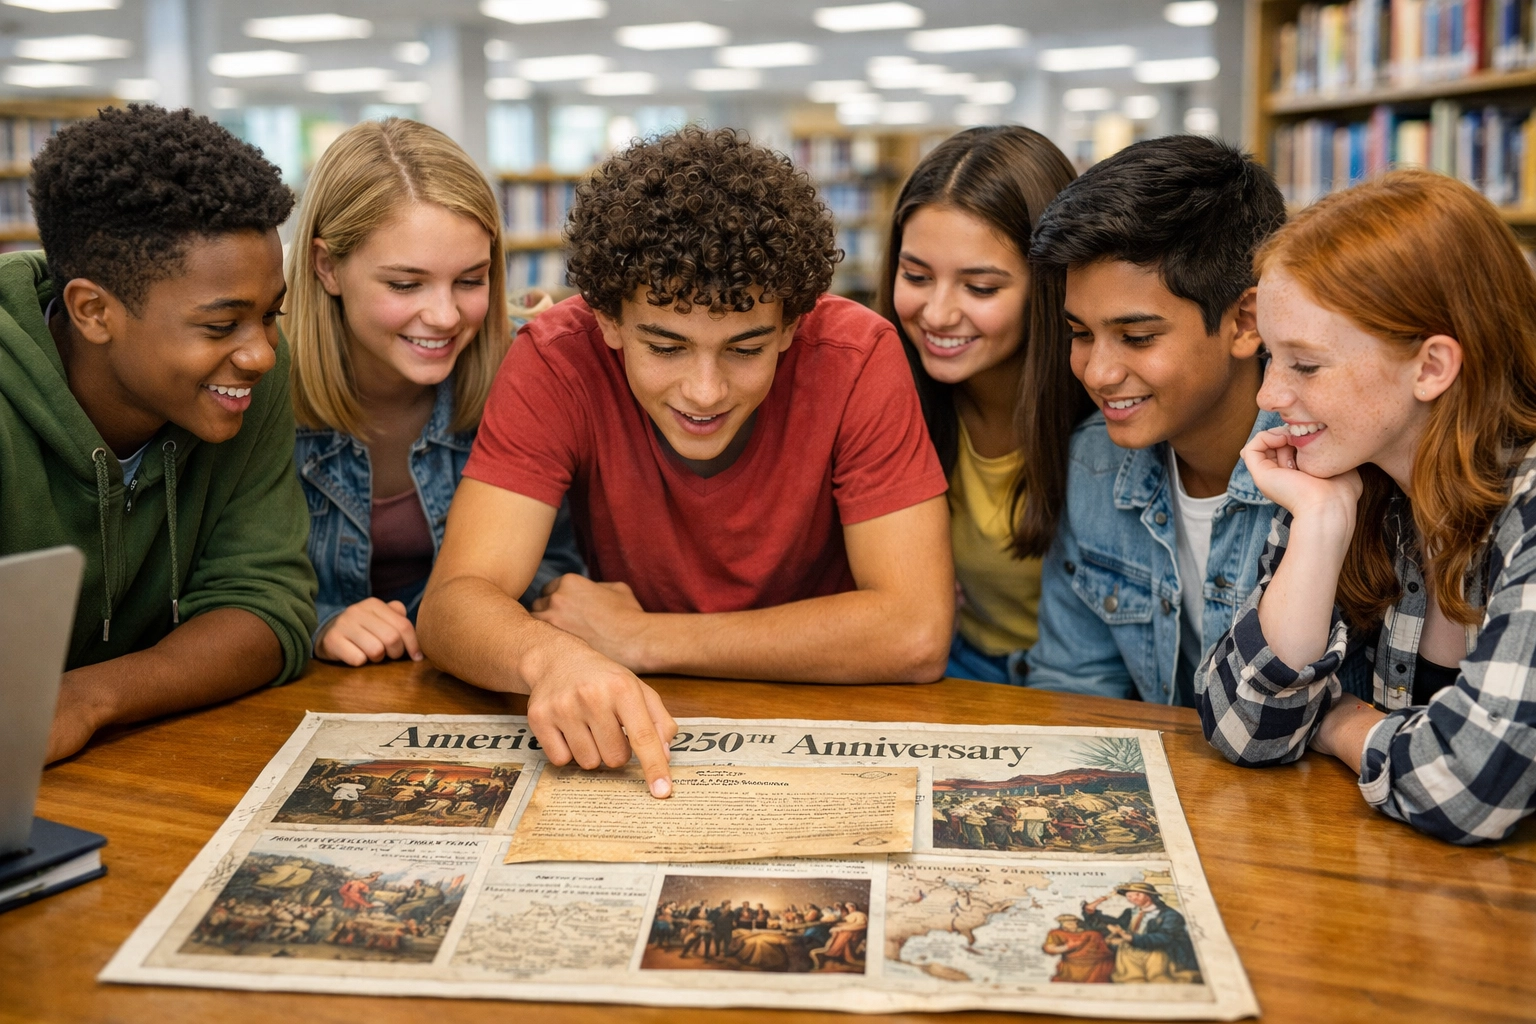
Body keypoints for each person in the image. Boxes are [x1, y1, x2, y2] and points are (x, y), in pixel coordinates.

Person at [418, 126, 953, 798]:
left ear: (792, 323)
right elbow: (451, 604)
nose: (705, 391)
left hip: (834, 713)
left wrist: (642, 639)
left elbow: (914, 632)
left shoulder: (857, 356)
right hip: (639, 726)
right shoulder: (558, 357)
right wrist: (551, 655)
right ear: (607, 321)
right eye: (666, 348)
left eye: (746, 349)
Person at [1200, 170, 1536, 845]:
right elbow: (1243, 727)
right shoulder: (1350, 473)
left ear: (1432, 367)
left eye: (1306, 365)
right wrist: (1320, 527)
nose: (1268, 394)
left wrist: (1337, 722)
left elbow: (1471, 784)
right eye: (1271, 357)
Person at [0, 105, 316, 763]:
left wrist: (87, 698)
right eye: (221, 324)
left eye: (271, 314)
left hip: (119, 761)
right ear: (93, 311)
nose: (260, 353)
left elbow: (265, 606)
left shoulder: (242, 379)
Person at [286, 118, 582, 667]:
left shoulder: (524, 369)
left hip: (468, 679)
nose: (445, 316)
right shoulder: (258, 385)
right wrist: (319, 621)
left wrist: (468, 617)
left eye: (471, 280)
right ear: (327, 267)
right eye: (405, 284)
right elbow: (217, 585)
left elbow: (557, 561)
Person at [1025, 136, 1288, 706]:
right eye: (1079, 334)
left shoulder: (1326, 475)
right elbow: (1071, 692)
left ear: (1247, 321)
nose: (1097, 372)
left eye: (1137, 338)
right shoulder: (1093, 462)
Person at [882, 125, 1083, 685]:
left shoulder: (1107, 411)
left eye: (981, 288)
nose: (939, 313)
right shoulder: (886, 399)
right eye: (916, 276)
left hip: (1074, 682)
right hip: (948, 667)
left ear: (1049, 285)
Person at [1081, 883, 1199, 984]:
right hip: (1128, 953)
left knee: (1159, 980)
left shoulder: (1169, 915)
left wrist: (1130, 937)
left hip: (1158, 954)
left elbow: (1167, 937)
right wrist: (1091, 911)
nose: (1133, 898)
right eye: (1129, 896)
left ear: (1150, 895)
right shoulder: (1131, 912)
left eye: (1137, 894)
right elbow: (1113, 924)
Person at [1042, 913, 1114, 984]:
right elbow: (1049, 949)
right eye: (1069, 923)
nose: (1073, 925)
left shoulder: (1091, 933)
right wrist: (1068, 946)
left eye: (1074, 922)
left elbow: (1102, 945)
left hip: (1096, 965)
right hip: (1072, 966)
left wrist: (1114, 934)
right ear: (1062, 925)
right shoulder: (1057, 933)